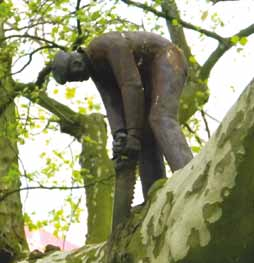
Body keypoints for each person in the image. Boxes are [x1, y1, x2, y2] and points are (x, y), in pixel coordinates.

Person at [52, 31, 193, 197]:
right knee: (144, 133)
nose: (79, 81)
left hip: (167, 60)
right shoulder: (96, 70)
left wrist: (132, 134)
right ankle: (154, 194)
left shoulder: (108, 44)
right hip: (148, 76)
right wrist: (120, 135)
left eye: (74, 78)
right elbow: (111, 103)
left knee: (160, 117)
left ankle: (189, 176)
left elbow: (131, 84)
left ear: (76, 64)